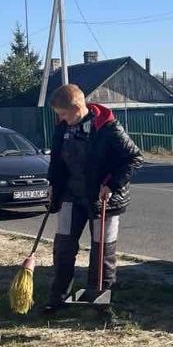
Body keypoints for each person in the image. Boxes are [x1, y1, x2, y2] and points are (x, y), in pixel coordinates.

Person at [45, 84, 142, 312]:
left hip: (103, 200)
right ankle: (58, 299)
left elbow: (134, 158)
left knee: (102, 252)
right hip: (71, 195)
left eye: (63, 114)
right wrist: (53, 184)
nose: (60, 118)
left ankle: (100, 302)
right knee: (63, 247)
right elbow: (57, 161)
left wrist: (112, 184)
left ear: (78, 108)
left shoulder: (107, 127)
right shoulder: (62, 127)